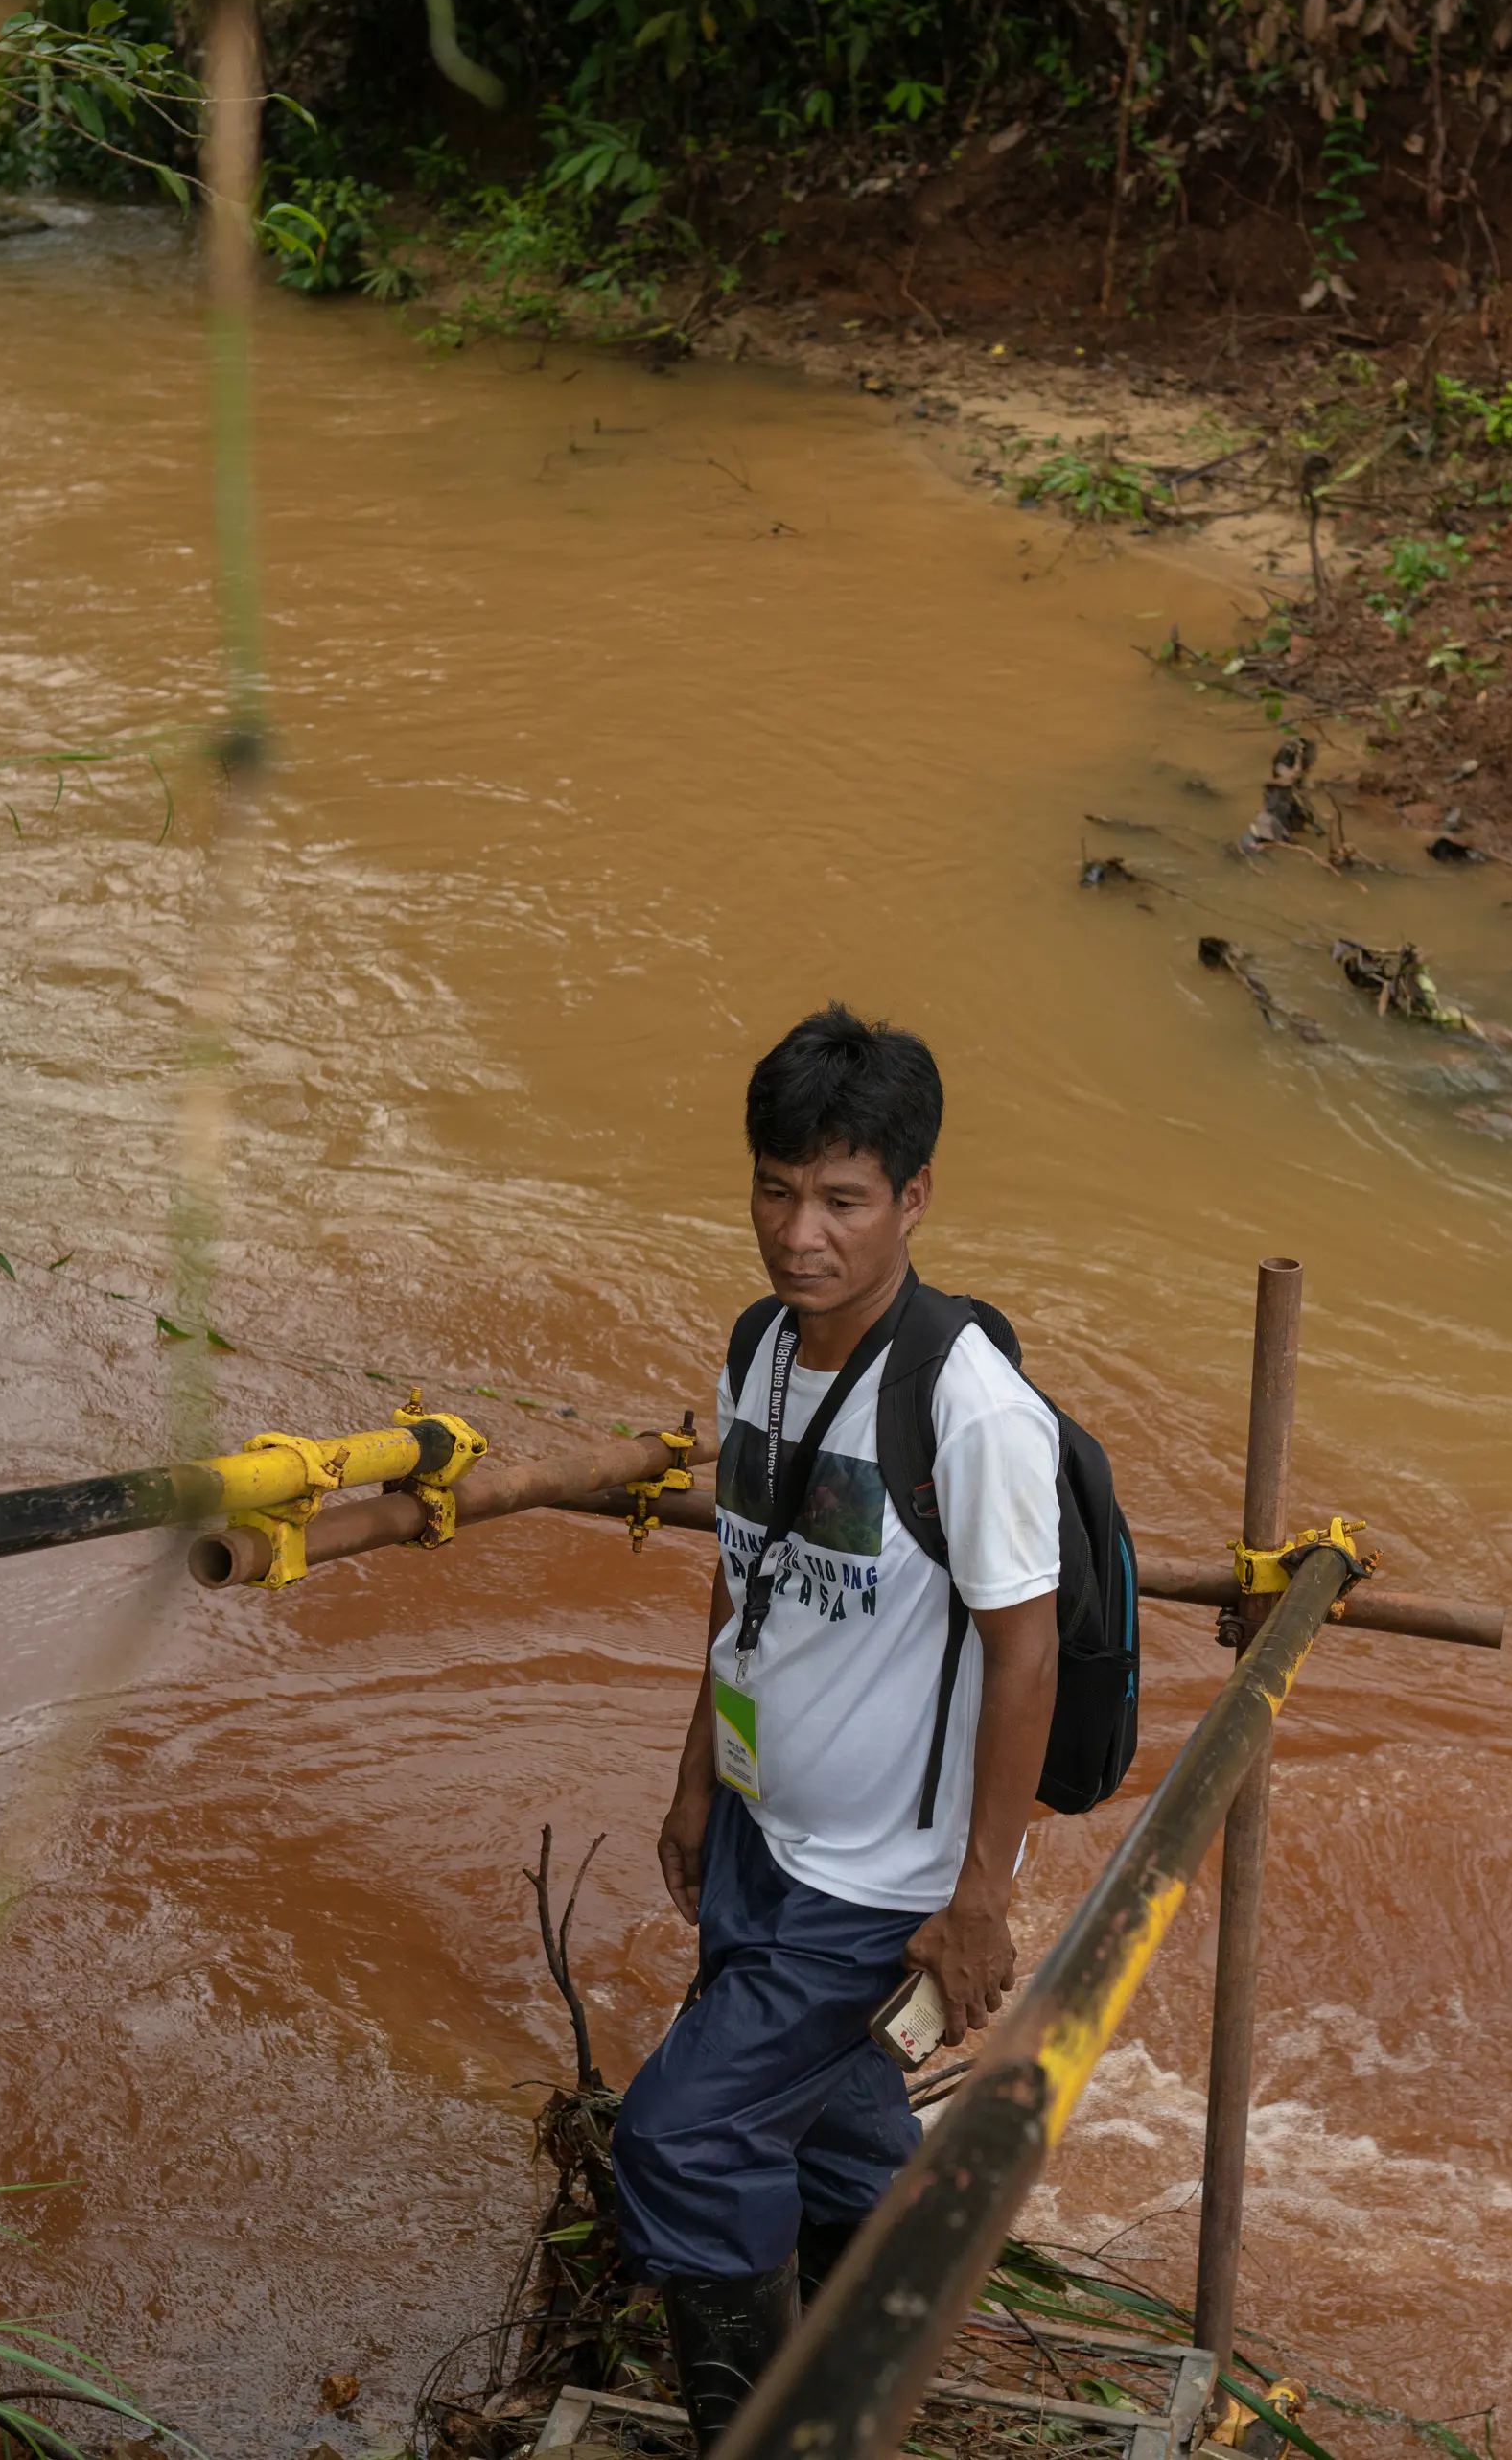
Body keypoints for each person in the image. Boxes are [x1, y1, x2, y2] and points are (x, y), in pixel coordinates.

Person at [611, 1005, 1062, 2445]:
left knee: (683, 2138)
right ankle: (877, 2362)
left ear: (913, 1199)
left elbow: (1026, 1653)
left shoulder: (970, 1409)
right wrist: (699, 1785)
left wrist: (980, 1892)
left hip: (873, 1881)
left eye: (843, 1200)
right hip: (763, 1826)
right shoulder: (763, 1349)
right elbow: (745, 1588)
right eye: (776, 1188)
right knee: (832, 2129)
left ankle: (763, 2438)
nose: (801, 1232)